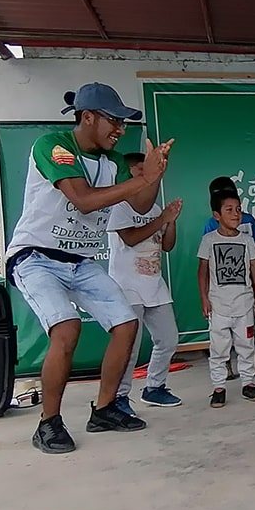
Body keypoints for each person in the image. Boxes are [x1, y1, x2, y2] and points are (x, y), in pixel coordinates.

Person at [5, 82, 171, 454]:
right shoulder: (54, 144)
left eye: (123, 123)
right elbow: (82, 200)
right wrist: (142, 178)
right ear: (89, 117)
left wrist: (154, 174)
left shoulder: (111, 163)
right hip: (35, 257)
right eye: (114, 120)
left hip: (79, 262)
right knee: (67, 327)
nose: (120, 129)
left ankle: (105, 409)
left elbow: (141, 206)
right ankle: (48, 423)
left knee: (127, 324)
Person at [105, 152, 184, 413]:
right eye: (139, 171)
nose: (145, 176)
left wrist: (170, 222)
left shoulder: (155, 208)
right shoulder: (119, 205)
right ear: (128, 175)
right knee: (130, 346)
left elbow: (168, 245)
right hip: (127, 288)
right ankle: (119, 397)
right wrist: (162, 220)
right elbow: (130, 238)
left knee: (168, 338)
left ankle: (155, 387)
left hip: (154, 286)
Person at [198, 190, 255, 407]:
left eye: (238, 209)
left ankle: (248, 383)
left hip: (244, 303)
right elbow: (202, 271)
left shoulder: (247, 240)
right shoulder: (209, 239)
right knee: (219, 347)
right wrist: (204, 298)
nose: (236, 214)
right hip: (218, 305)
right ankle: (219, 387)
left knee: (246, 344)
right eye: (229, 210)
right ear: (216, 215)